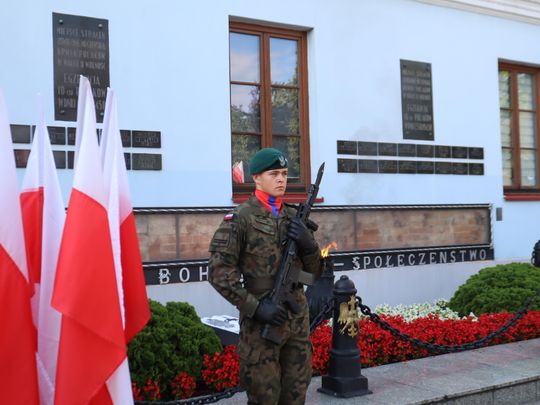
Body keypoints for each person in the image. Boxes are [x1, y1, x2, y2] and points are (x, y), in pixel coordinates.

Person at [208, 148, 323, 405]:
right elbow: (218, 273)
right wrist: (256, 307)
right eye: (274, 174)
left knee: (296, 394)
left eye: (284, 173)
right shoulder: (240, 219)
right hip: (261, 325)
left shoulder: (295, 217)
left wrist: (308, 245)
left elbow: (314, 274)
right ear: (257, 178)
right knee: (264, 397)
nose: (281, 179)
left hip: (296, 320)